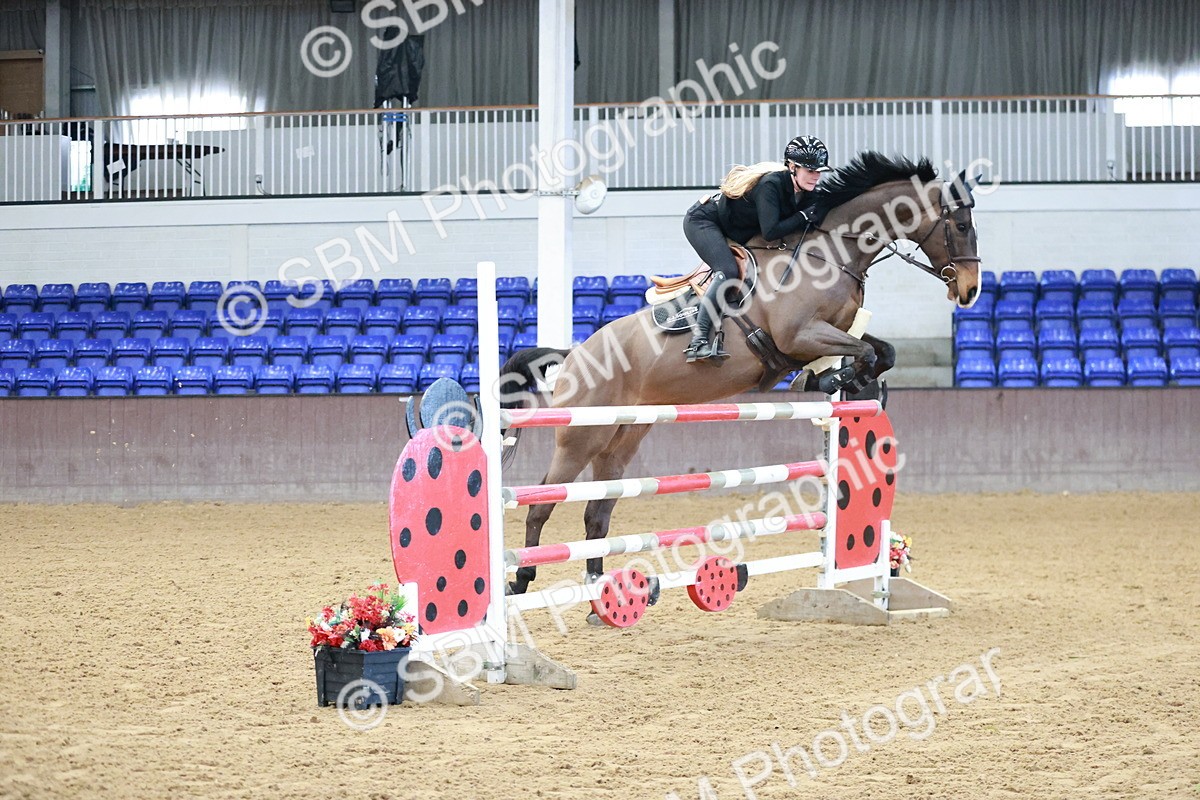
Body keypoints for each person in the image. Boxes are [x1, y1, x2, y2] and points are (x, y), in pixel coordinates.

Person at [681, 135, 832, 362]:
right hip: (704, 221)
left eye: (819, 171)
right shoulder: (771, 185)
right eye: (810, 170)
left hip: (737, 230)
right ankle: (698, 341)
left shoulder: (808, 191)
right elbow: (771, 231)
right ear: (792, 167)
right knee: (728, 271)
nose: (816, 176)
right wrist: (803, 216)